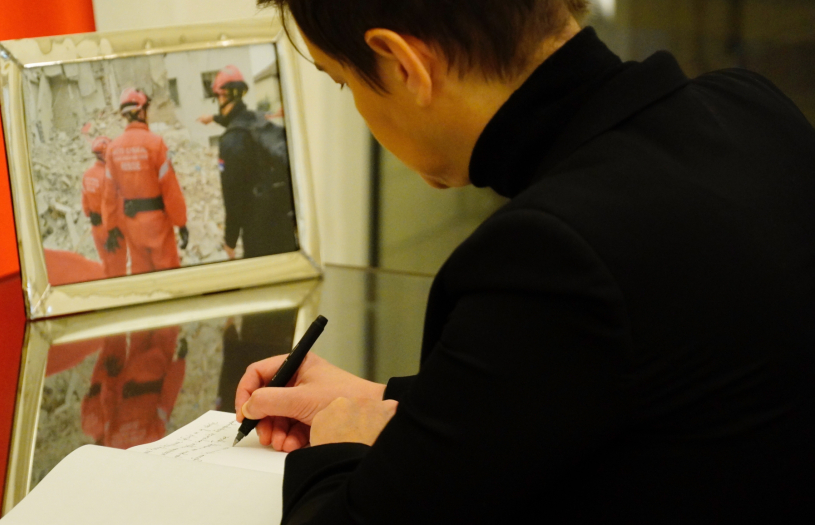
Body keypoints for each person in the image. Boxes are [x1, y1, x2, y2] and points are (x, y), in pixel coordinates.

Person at [235, 0, 815, 523]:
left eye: (343, 82)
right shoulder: (751, 107)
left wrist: (342, 445)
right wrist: (387, 401)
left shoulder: (549, 252)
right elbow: (612, 378)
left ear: (405, 65)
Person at [198, 65, 297, 259]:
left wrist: (230, 240)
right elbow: (237, 118)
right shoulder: (258, 120)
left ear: (223, 96)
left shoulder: (230, 140)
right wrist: (213, 118)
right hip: (284, 221)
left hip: (258, 231)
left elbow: (232, 197)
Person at [102, 87, 189, 274]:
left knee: (142, 276)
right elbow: (170, 189)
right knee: (169, 277)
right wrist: (181, 222)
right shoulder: (155, 144)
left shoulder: (113, 149)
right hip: (158, 225)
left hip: (132, 226)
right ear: (141, 112)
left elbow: (109, 194)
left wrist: (110, 226)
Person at [81, 136, 127, 278]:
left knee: (106, 266)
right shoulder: (110, 177)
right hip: (112, 229)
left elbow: (86, 207)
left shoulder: (87, 175)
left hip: (97, 229)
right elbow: (115, 206)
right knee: (118, 269)